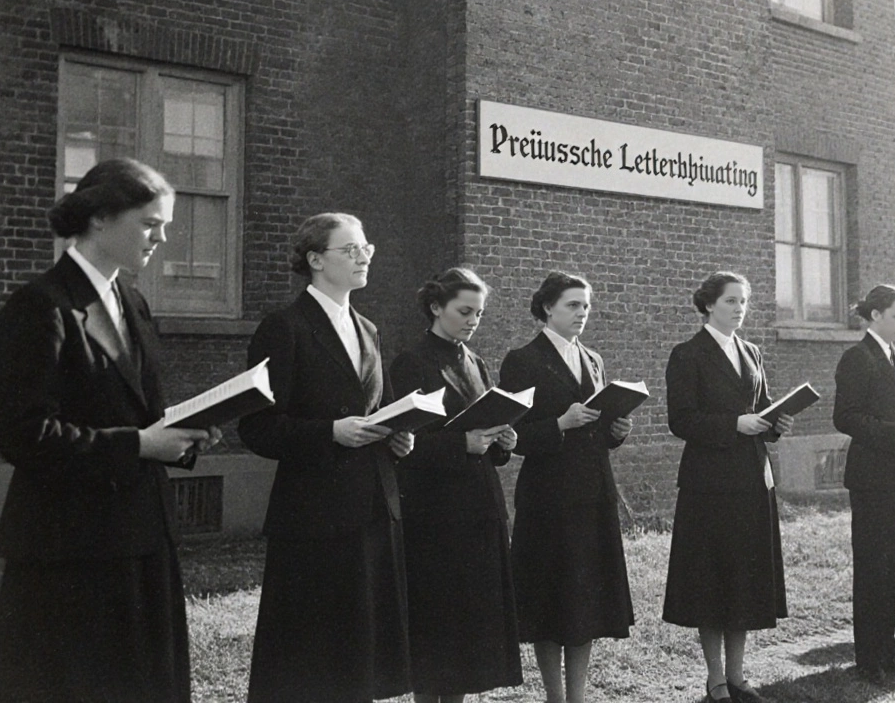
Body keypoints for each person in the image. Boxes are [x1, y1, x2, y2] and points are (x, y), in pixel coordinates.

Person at [0, 158, 218, 703]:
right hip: (69, 553)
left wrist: (183, 434)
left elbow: (135, 408)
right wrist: (140, 444)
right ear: (100, 218)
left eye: (166, 225)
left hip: (140, 539)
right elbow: (23, 435)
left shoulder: (131, 300)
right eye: (150, 223)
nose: (162, 237)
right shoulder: (40, 307)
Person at [238, 213, 416, 703]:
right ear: (315, 260)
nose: (363, 257)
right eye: (350, 249)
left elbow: (380, 410)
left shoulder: (369, 329)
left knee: (359, 658)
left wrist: (396, 440)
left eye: (367, 249)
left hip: (370, 510)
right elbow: (256, 427)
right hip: (313, 518)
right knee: (311, 659)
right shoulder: (284, 328)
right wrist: (329, 433)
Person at [499, 272, 635, 703]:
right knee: (551, 599)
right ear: (547, 308)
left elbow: (601, 431)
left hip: (593, 493)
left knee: (586, 603)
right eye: (573, 305)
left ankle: (577, 696)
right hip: (549, 498)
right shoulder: (522, 359)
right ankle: (554, 697)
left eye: (586, 306)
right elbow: (512, 435)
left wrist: (618, 429)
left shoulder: (592, 359)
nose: (582, 313)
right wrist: (560, 423)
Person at [389, 268, 522, 702]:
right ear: (435, 307)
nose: (472, 321)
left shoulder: (475, 360)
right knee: (440, 632)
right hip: (437, 515)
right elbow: (402, 443)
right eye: (465, 311)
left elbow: (484, 432)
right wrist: (460, 444)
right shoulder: (411, 361)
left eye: (479, 314)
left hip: (480, 508)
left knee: (469, 635)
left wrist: (503, 441)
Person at [662, 272, 793, 703]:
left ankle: (737, 676)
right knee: (712, 580)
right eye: (731, 300)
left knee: (744, 579)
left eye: (744, 301)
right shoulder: (688, 354)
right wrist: (735, 424)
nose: (740, 308)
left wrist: (776, 424)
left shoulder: (751, 351)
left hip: (752, 479)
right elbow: (681, 419)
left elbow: (762, 409)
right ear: (708, 305)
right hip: (709, 485)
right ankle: (715, 678)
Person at [833, 283, 895, 685]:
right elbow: (846, 417)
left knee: (891, 569)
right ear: (875, 316)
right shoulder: (858, 357)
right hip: (873, 478)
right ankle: (868, 658)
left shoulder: (894, 356)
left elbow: (890, 410)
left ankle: (888, 650)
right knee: (873, 567)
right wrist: (893, 431)